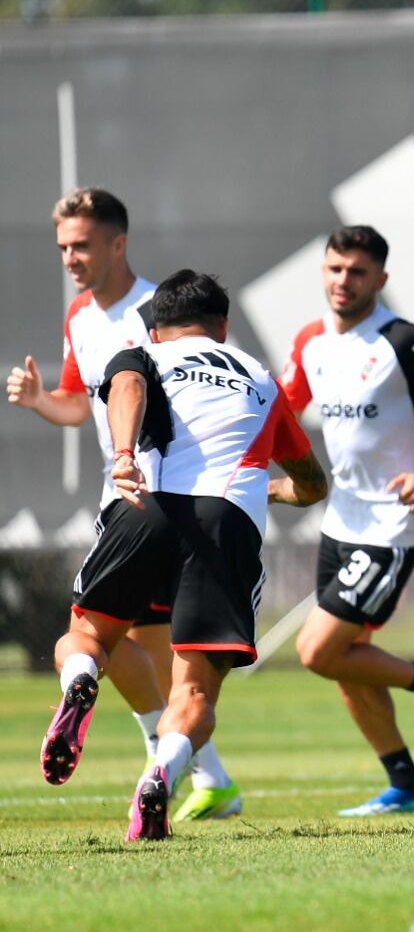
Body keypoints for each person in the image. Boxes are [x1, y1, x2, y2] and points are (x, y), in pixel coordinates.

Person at [40, 269, 327, 841]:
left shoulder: (141, 352)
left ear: (155, 325)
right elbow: (312, 482)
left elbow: (128, 389)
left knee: (87, 638)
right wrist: (277, 491)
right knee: (194, 691)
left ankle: (80, 680)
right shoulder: (261, 378)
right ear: (223, 326)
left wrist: (123, 454)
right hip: (226, 522)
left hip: (145, 505)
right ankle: (161, 776)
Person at [9, 188, 243, 822]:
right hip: (125, 502)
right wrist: (38, 401)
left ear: (119, 243)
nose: (70, 258)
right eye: (62, 247)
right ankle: (195, 772)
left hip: (167, 504)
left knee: (115, 642)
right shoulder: (80, 317)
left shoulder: (161, 314)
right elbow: (78, 403)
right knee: (133, 646)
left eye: (82, 244)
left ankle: (190, 769)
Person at [279, 225, 414, 816]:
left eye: (356, 271)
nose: (342, 281)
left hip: (394, 526)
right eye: (334, 269)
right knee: (348, 665)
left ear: (380, 279)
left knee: (318, 651)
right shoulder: (310, 341)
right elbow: (284, 413)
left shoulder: (403, 341)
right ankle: (406, 784)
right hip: (339, 523)